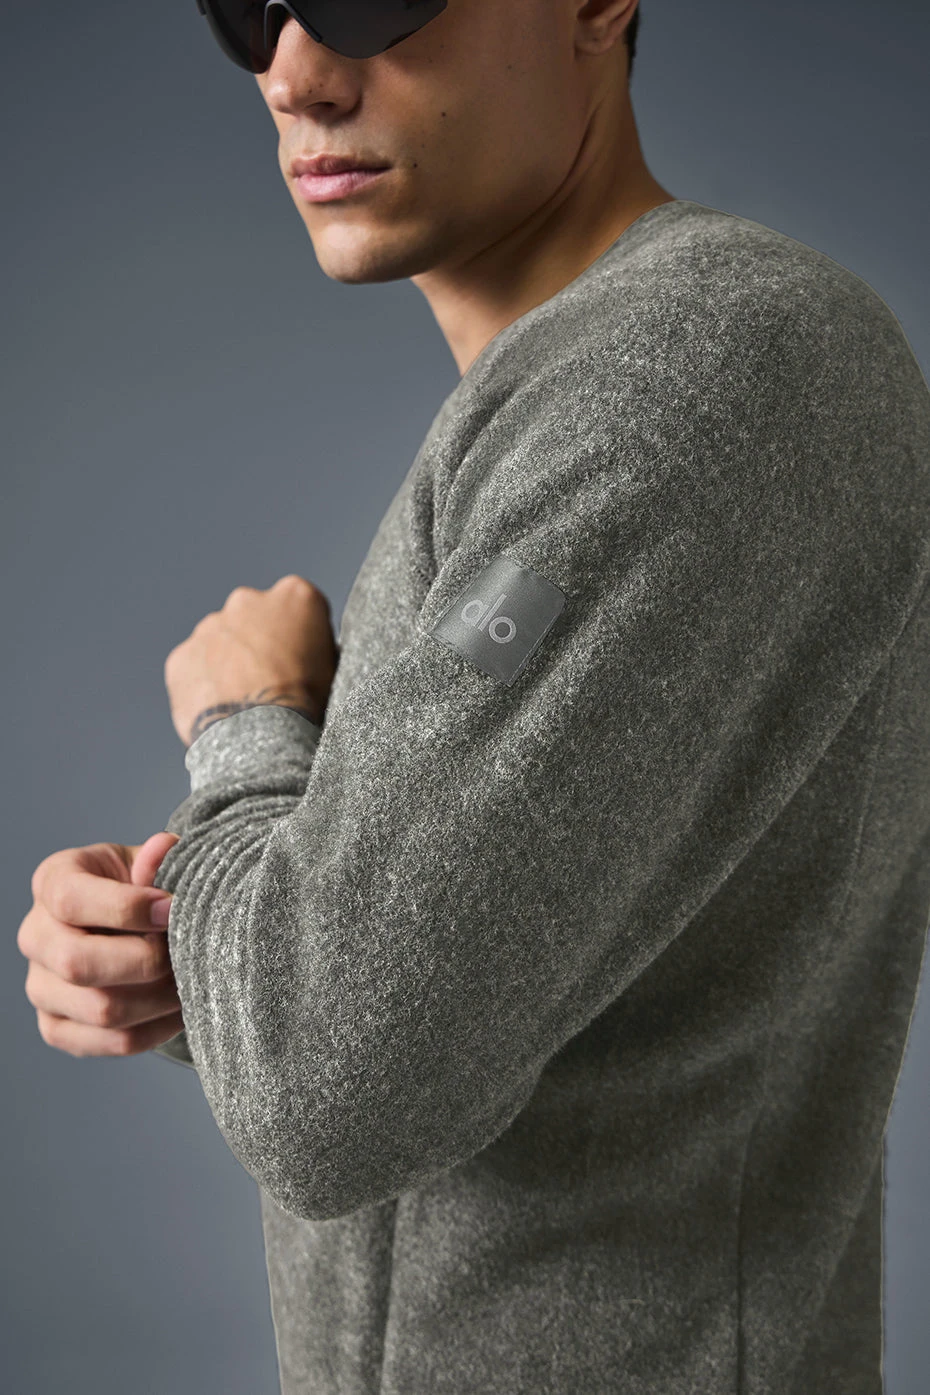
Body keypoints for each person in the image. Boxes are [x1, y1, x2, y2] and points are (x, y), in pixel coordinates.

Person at [17, 2, 930, 1392]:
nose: (295, 76)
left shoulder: (693, 364)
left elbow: (326, 1085)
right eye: (250, 9)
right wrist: (190, 939)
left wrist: (244, 728)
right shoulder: (579, 386)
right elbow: (474, 991)